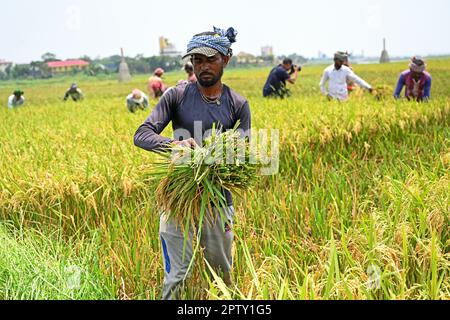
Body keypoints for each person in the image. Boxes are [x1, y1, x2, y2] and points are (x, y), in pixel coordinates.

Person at [134, 26, 251, 300]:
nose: (203, 66)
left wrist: (222, 158)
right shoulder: (176, 95)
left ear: (227, 59)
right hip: (178, 201)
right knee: (177, 277)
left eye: (211, 59)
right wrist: (175, 145)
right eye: (197, 60)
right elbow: (142, 134)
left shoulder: (238, 104)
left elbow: (243, 152)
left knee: (222, 276)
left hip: (217, 204)